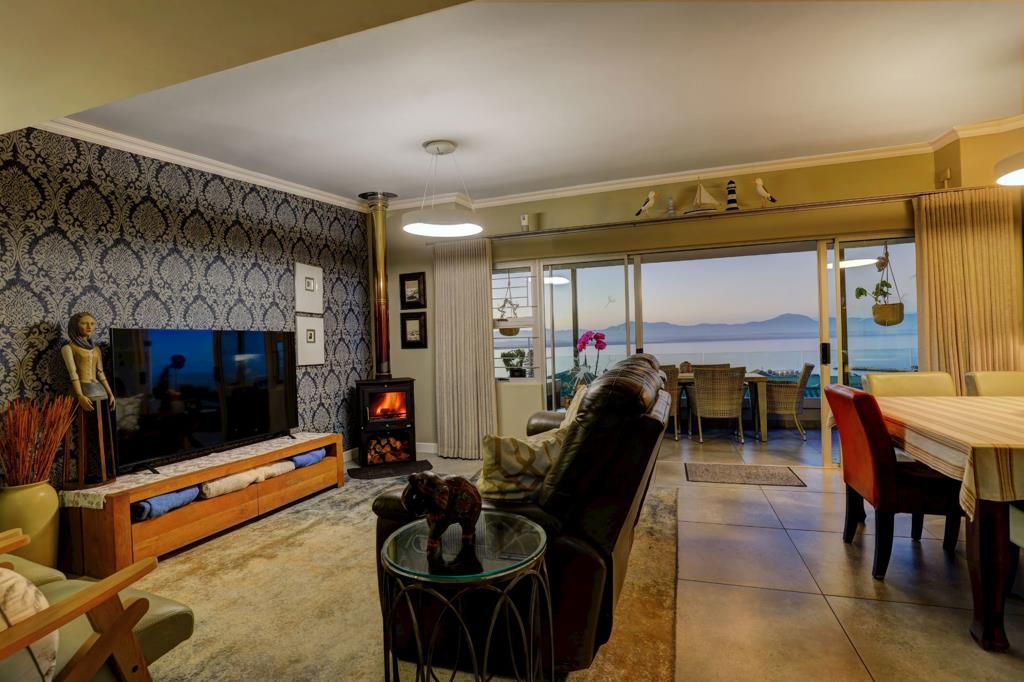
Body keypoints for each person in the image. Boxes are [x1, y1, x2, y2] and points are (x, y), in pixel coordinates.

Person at [60, 312, 116, 412]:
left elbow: (100, 372)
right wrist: (79, 395)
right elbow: (73, 373)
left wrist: (110, 393)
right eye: (84, 323)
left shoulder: (96, 349)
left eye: (92, 323)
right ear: (75, 326)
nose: (89, 327)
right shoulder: (68, 348)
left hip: (99, 389)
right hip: (81, 389)